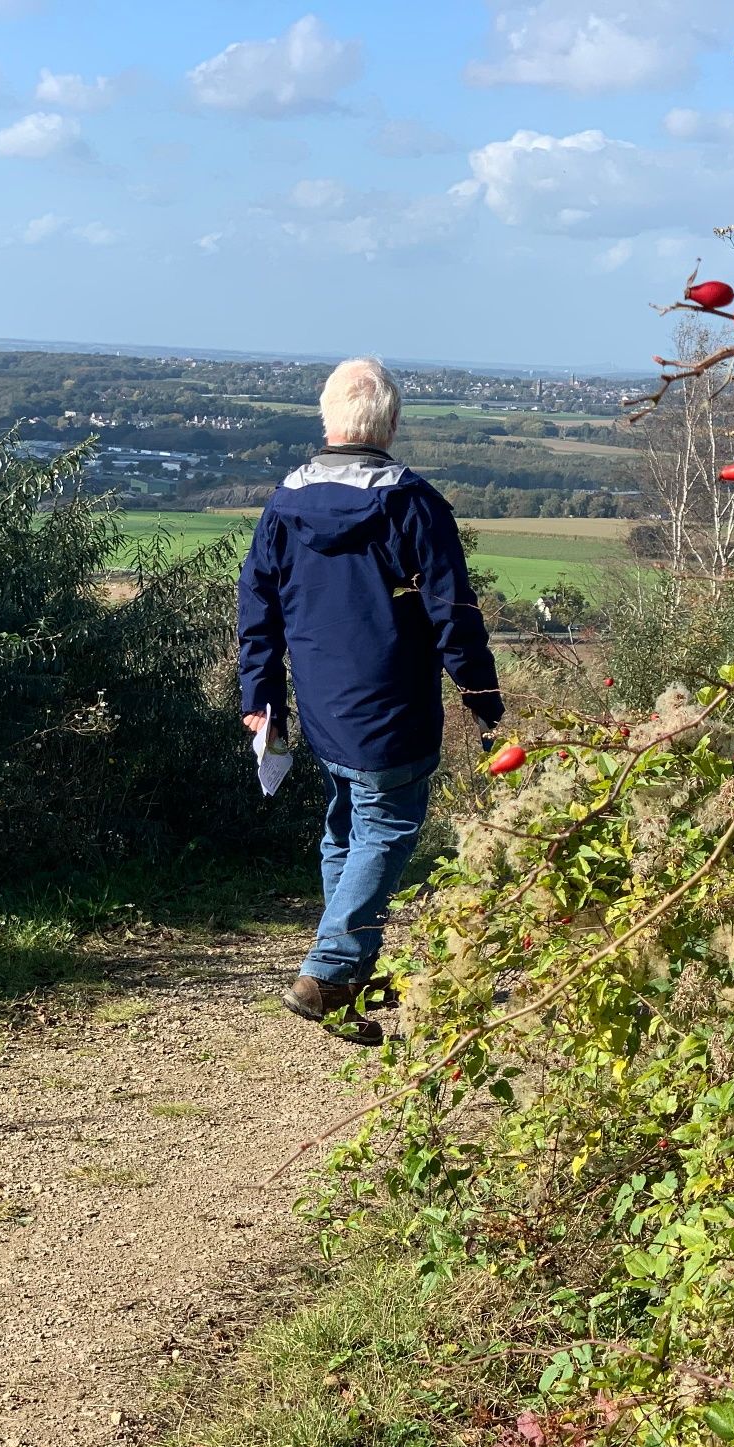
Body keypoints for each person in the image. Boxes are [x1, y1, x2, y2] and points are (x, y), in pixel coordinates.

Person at [237, 357, 504, 1045]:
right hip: (393, 707)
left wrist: (261, 692)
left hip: (322, 706)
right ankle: (329, 972)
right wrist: (484, 701)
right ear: (390, 422)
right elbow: (453, 614)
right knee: (383, 830)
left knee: (346, 831)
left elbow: (257, 603)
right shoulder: (412, 504)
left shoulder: (285, 502)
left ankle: (346, 982)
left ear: (328, 419)